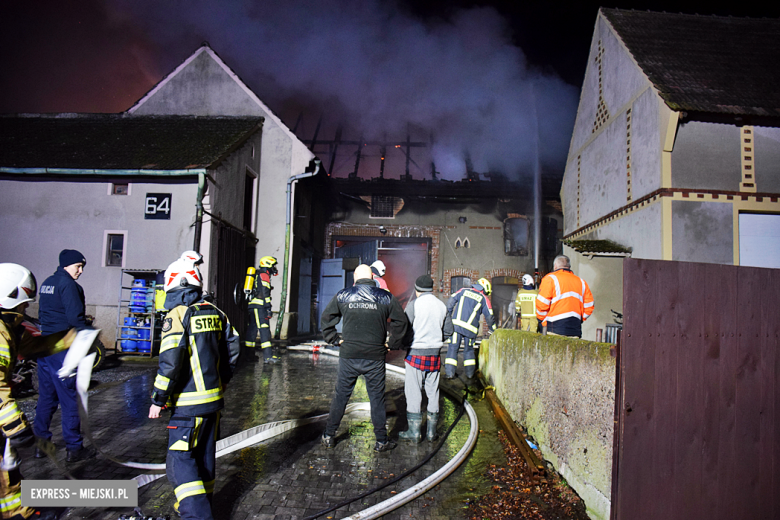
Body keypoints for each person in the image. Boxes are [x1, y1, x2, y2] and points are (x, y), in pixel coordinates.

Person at [148, 256, 240, 520]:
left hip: (187, 406)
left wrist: (158, 398)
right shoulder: (216, 311)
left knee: (179, 461)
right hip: (213, 403)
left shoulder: (177, 315)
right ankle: (204, 506)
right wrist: (223, 380)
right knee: (204, 458)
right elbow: (234, 348)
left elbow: (170, 360)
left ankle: (197, 515)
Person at [0, 263, 76, 520]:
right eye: (23, 304)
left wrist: (69, 339)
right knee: (6, 463)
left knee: (7, 465)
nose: (26, 309)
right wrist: (14, 424)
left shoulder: (7, 328)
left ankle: (17, 512)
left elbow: (32, 345)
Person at [320, 264, 407, 452]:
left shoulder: (343, 295)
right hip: (375, 357)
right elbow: (402, 321)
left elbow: (326, 318)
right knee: (377, 399)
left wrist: (334, 339)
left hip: (349, 356)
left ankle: (328, 435)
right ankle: (381, 441)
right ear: (373, 278)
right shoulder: (385, 296)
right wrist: (392, 343)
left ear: (355, 278)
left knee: (340, 397)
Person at [34, 249, 93, 462]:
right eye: (78, 266)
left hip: (45, 346)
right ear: (66, 265)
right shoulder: (69, 285)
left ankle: (41, 445)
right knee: (70, 399)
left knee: (46, 398)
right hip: (64, 348)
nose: (81, 271)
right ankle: (74, 449)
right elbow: (75, 319)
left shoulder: (48, 282)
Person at [398, 275, 452, 444]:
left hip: (415, 354)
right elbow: (449, 331)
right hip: (434, 355)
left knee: (413, 392)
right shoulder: (441, 306)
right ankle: (431, 432)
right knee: (433, 392)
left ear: (417, 289)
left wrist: (405, 344)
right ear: (431, 289)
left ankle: (414, 433)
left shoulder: (414, 305)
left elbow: (405, 330)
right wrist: (436, 340)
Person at [445, 277, 496, 380]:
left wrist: (447, 317)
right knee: (468, 351)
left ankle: (449, 374)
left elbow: (450, 302)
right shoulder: (483, 298)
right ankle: (469, 375)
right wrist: (493, 331)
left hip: (456, 327)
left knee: (452, 348)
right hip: (470, 330)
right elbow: (490, 317)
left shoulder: (463, 290)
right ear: (485, 289)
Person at [536, 255, 594, 338]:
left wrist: (542, 320)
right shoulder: (581, 282)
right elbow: (589, 306)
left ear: (555, 266)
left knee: (554, 351)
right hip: (575, 328)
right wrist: (580, 319)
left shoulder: (550, 279)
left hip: (555, 327)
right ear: (569, 267)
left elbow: (542, 304)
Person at [245, 256, 279, 364]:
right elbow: (265, 293)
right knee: (264, 330)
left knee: (252, 330)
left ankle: (248, 356)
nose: (274, 268)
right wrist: (268, 307)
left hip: (252, 306)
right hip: (260, 307)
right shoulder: (264, 275)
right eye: (273, 265)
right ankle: (268, 357)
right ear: (268, 264)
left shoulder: (256, 274)